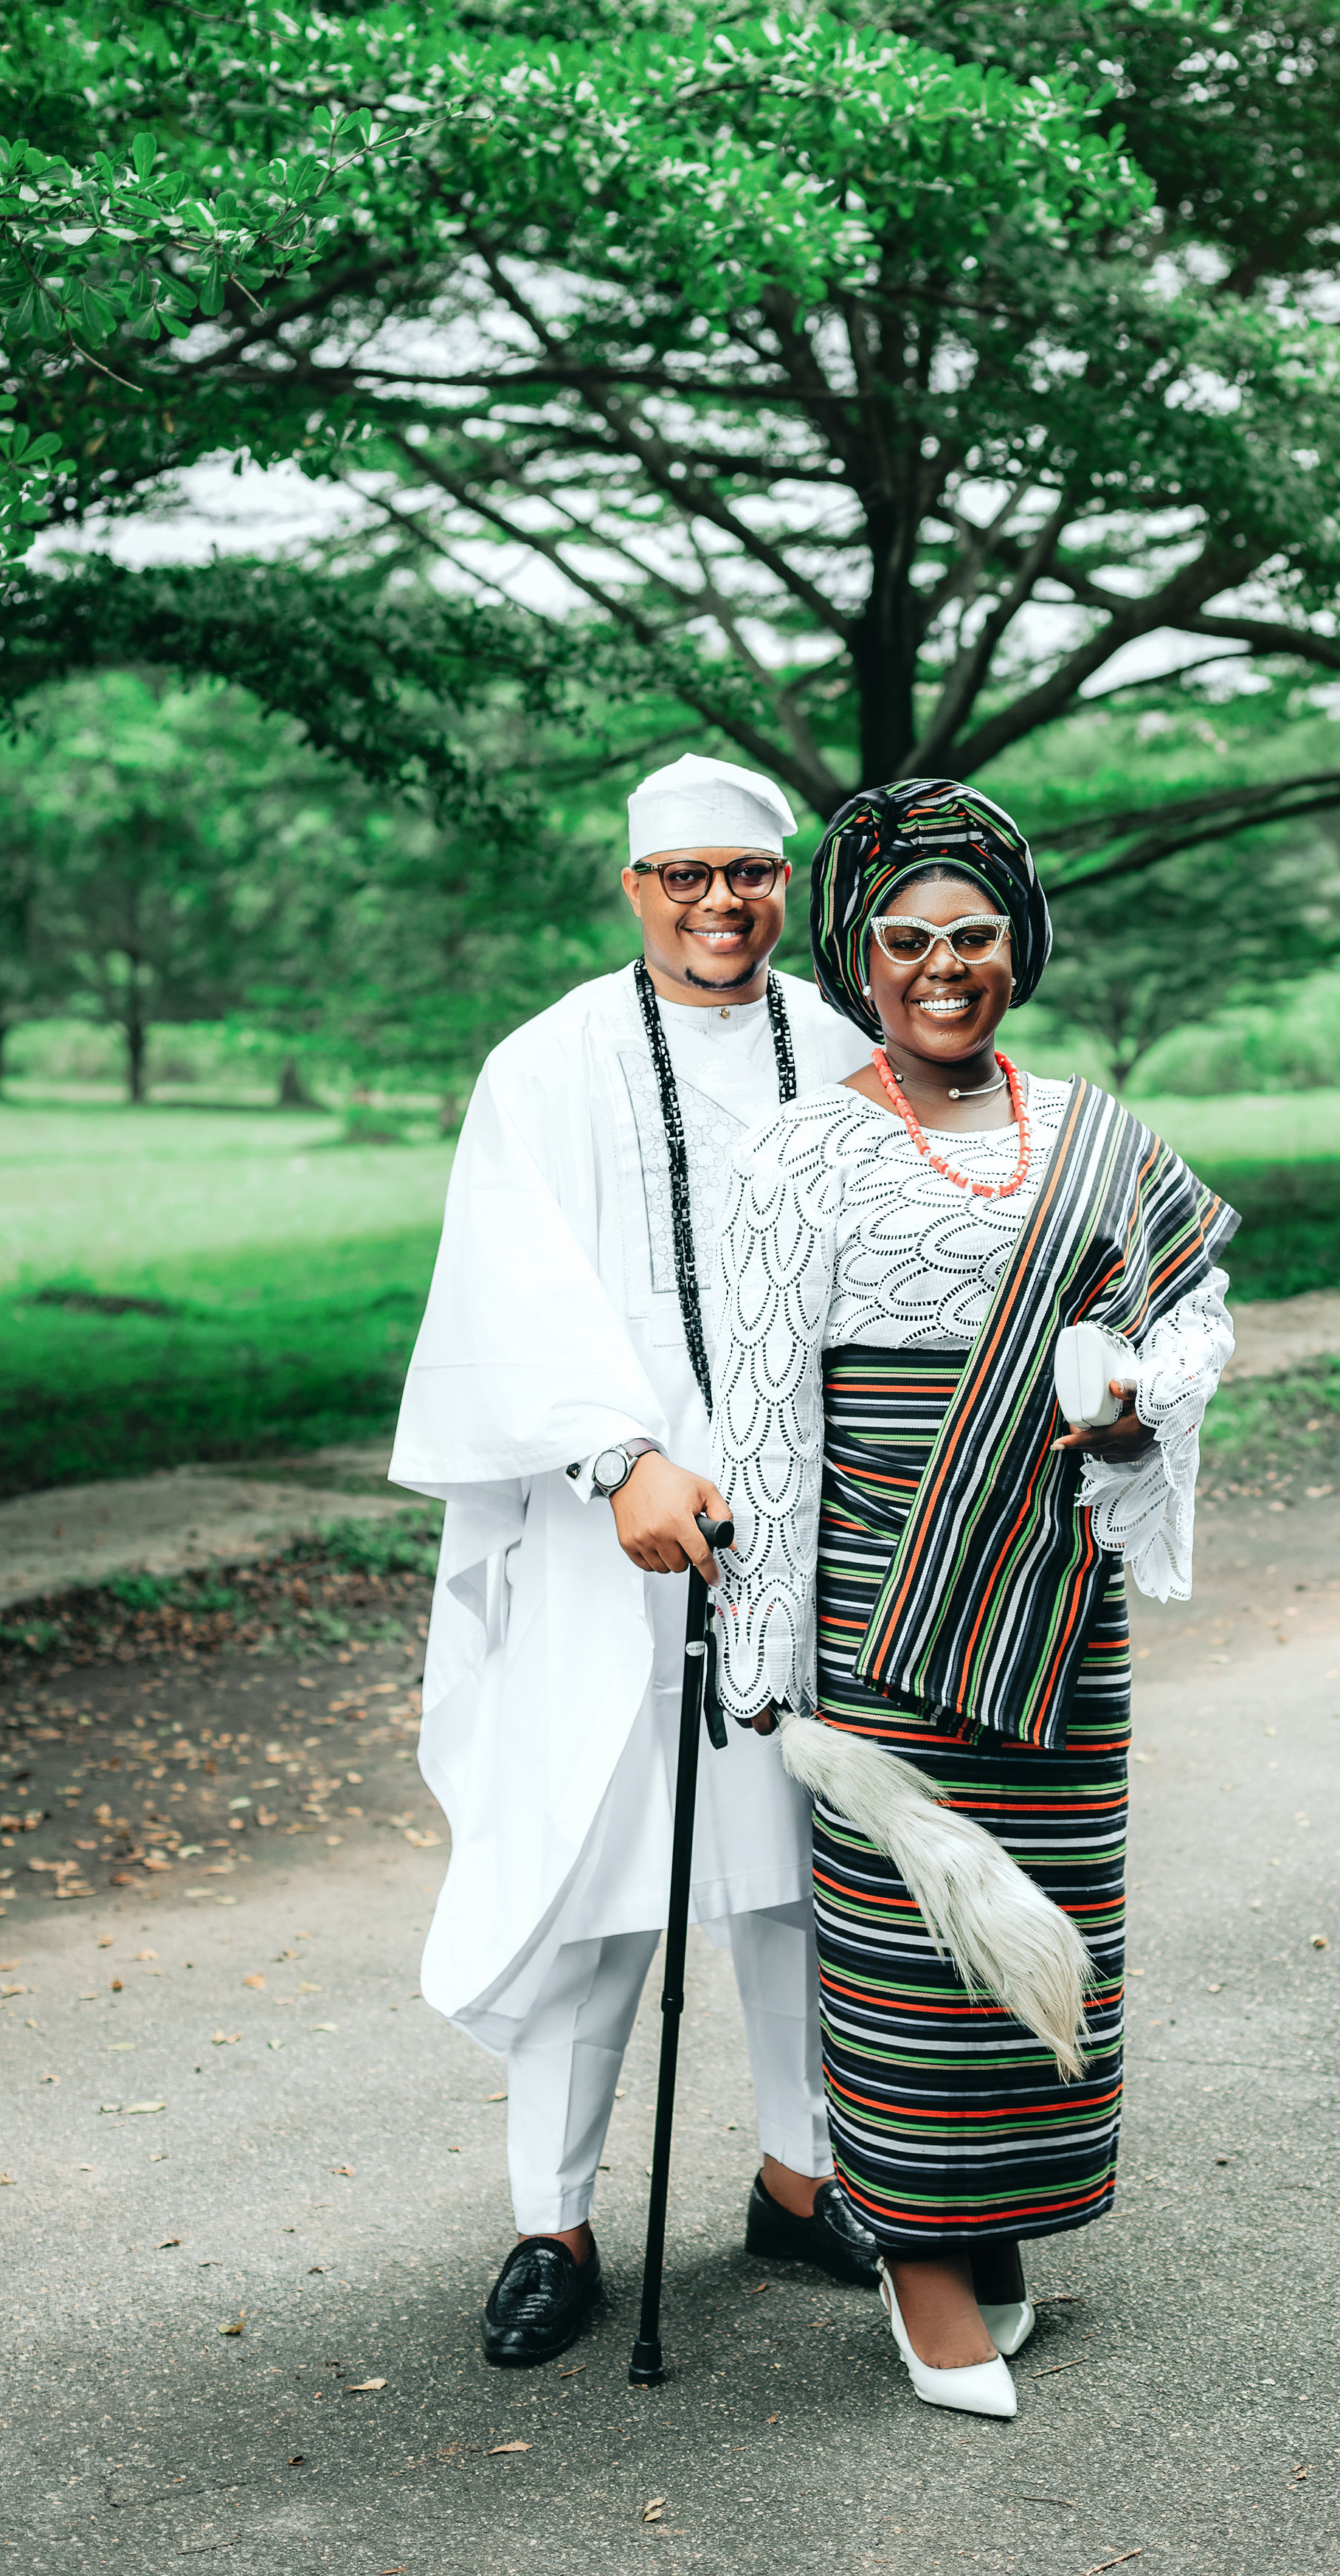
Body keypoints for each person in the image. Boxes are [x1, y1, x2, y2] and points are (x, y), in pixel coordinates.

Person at [707, 777, 1238, 2417]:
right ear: (860, 961)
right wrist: (768, 1654)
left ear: (1021, 947)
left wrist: (1142, 1406)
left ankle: (991, 2220)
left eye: (977, 934)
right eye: (907, 938)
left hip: (1055, 1602)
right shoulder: (799, 1151)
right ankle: (920, 2260)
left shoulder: (1095, 1131)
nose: (945, 965)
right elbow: (766, 1413)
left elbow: (1195, 1310)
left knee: (1046, 1918)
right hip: (881, 1606)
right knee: (902, 1938)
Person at [388, 753, 881, 2369]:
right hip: (608, 1531)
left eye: (750, 872)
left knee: (801, 1872)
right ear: (636, 888)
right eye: (688, 877)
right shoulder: (546, 1063)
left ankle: (803, 2179)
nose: (720, 903)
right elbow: (508, 1280)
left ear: (784, 883)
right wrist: (621, 1455)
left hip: (804, 1522)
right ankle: (554, 2225)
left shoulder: (847, 1048)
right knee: (597, 1882)